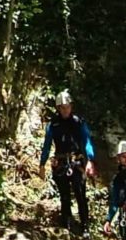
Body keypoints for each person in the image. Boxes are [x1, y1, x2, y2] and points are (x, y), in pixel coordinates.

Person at [39, 89, 97, 231]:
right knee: (64, 196)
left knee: (80, 193)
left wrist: (90, 160)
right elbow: (46, 145)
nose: (66, 110)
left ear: (71, 106)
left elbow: (87, 141)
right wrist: (42, 164)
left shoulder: (79, 123)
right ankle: (67, 224)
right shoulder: (53, 125)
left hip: (76, 162)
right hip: (60, 163)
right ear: (58, 109)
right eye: (63, 108)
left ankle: (85, 226)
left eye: (68, 107)